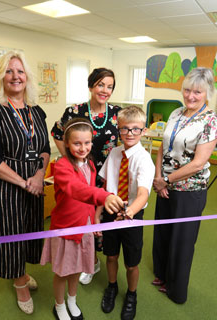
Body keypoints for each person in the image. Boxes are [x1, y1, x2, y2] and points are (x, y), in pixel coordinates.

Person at [0, 51, 50, 314]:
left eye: (20, 71)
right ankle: (19, 283)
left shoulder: (35, 111)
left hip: (34, 184)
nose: (15, 76)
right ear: (0, 77)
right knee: (11, 235)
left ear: (27, 76)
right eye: (9, 71)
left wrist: (39, 176)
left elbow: (44, 147)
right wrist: (23, 182)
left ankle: (22, 272)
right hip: (5, 187)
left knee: (29, 231)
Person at [40, 118, 124, 320]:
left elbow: (89, 200)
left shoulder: (91, 164)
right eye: (77, 143)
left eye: (87, 143)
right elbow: (78, 190)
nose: (83, 147)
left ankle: (71, 299)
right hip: (67, 228)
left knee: (76, 268)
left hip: (84, 227)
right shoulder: (61, 166)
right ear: (67, 143)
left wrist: (94, 220)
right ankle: (59, 305)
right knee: (62, 271)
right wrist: (104, 196)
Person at [152, 67, 217, 304]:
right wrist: (158, 179)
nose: (191, 96)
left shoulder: (210, 121)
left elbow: (198, 163)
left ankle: (176, 289)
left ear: (208, 93)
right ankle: (161, 275)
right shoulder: (176, 113)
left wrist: (167, 180)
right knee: (162, 234)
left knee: (181, 242)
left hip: (189, 191)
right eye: (187, 90)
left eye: (198, 92)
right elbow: (163, 146)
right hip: (164, 186)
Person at [51, 67, 121, 285]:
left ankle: (94, 261)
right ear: (91, 86)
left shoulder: (118, 113)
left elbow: (131, 135)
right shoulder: (74, 111)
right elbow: (57, 133)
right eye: (101, 85)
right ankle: (86, 261)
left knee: (101, 220)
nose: (105, 90)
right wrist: (72, 163)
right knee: (80, 217)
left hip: (107, 174)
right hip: (82, 174)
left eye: (109, 86)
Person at [98, 106, 155, 320]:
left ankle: (132, 295)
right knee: (111, 255)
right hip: (112, 212)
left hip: (132, 215)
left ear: (144, 130)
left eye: (135, 129)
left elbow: (143, 194)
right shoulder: (113, 153)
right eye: (125, 129)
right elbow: (104, 185)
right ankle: (112, 287)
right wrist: (98, 213)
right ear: (118, 130)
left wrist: (129, 212)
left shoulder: (144, 159)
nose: (130, 133)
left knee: (131, 262)